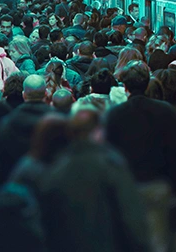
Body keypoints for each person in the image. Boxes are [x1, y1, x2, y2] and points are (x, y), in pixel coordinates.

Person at [39, 106, 151, 252]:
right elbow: (131, 215)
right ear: (98, 131)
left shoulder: (56, 168)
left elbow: (47, 222)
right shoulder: (111, 163)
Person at [105, 60, 176, 251]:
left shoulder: (115, 114)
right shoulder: (166, 111)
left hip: (126, 183)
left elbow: (109, 151)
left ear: (124, 87)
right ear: (148, 83)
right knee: (158, 237)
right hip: (158, 182)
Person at [0, 74, 54, 186]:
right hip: (48, 181)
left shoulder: (8, 121)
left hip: (15, 181)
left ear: (24, 95)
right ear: (46, 94)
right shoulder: (57, 121)